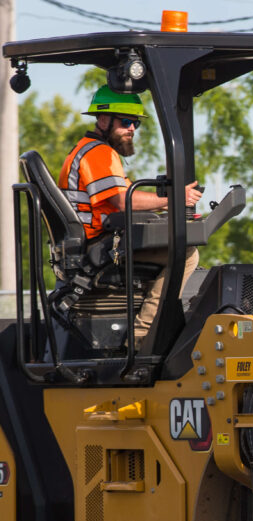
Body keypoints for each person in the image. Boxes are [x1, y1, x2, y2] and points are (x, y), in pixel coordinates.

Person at [58, 85, 203, 347]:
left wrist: (163, 206)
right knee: (187, 254)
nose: (132, 128)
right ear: (103, 119)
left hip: (100, 241)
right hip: (99, 247)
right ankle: (141, 338)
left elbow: (121, 201)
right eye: (126, 121)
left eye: (135, 122)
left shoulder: (88, 150)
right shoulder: (98, 152)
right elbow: (122, 201)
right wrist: (173, 200)